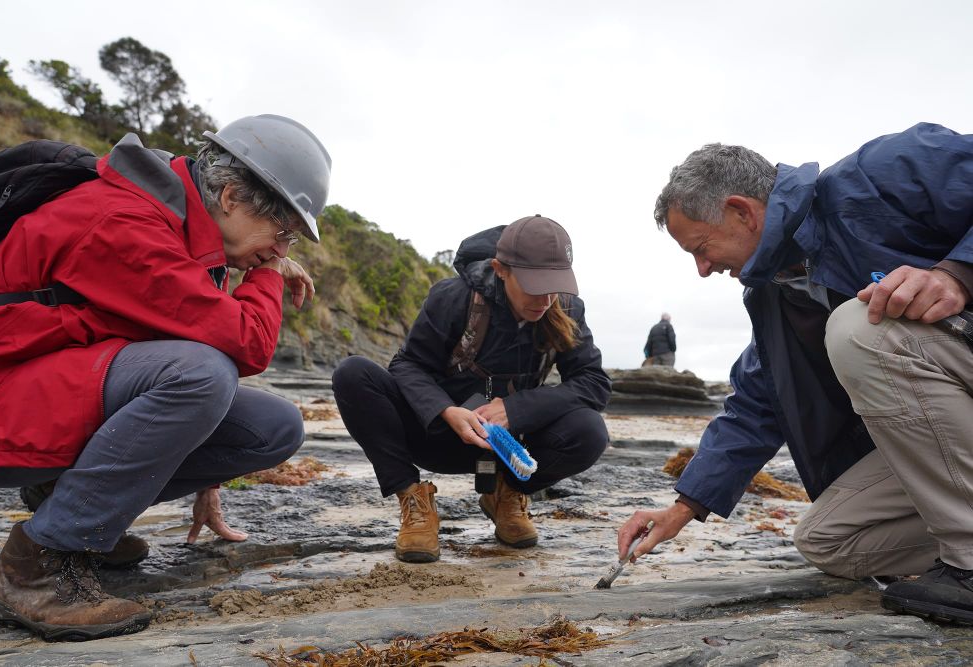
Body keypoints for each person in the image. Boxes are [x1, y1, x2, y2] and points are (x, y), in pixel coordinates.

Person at [0, 114, 332, 640]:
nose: (281, 250)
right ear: (231, 197)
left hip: (36, 390)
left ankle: (69, 508)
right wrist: (266, 274)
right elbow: (246, 344)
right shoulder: (124, 223)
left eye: (290, 243)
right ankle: (39, 566)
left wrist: (205, 482)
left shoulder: (181, 224)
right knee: (202, 374)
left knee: (273, 426)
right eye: (283, 233)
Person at [618, 123, 973, 625]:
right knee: (830, 540)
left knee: (858, 328)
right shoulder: (774, 295)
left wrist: (957, 274)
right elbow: (757, 404)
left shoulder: (886, 173)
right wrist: (683, 508)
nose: (702, 269)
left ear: (741, 211)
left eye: (701, 247)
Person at [333, 215, 610, 563]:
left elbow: (593, 383)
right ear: (501, 269)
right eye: (534, 285)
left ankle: (508, 495)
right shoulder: (454, 298)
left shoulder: (567, 309)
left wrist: (517, 410)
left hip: (512, 452)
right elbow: (407, 365)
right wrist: (446, 411)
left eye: (554, 285)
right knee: (353, 374)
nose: (545, 298)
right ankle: (414, 500)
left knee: (589, 430)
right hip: (441, 435)